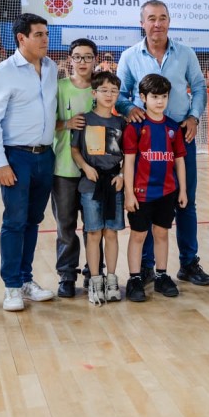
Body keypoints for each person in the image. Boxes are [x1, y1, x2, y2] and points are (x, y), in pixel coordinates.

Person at [116, 0, 209, 286]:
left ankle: (189, 263)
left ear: (169, 21)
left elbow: (200, 87)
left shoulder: (186, 53)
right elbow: (120, 94)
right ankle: (146, 267)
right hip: (144, 143)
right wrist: (128, 108)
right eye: (152, 18)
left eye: (163, 18)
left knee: (185, 201)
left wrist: (194, 117)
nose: (157, 23)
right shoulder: (130, 56)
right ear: (142, 23)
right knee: (146, 203)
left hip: (180, 136)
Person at [0, 13, 59, 312]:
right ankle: (12, 286)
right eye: (38, 34)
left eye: (46, 34)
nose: (45, 39)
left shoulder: (51, 68)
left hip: (45, 156)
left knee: (33, 220)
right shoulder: (3, 73)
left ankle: (26, 279)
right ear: (21, 38)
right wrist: (0, 163)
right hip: (16, 157)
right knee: (14, 222)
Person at [121, 74, 188, 302]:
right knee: (138, 235)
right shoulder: (135, 127)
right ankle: (134, 278)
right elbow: (129, 162)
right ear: (143, 97)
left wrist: (183, 190)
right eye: (154, 97)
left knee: (161, 233)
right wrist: (129, 193)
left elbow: (179, 161)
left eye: (164, 96)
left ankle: (161, 275)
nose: (160, 101)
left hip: (166, 192)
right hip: (141, 193)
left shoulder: (172, 127)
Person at [71, 71, 126, 305]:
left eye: (114, 91)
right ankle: (95, 280)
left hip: (114, 184)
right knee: (93, 232)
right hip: (90, 185)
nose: (109, 95)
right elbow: (75, 149)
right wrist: (85, 167)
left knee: (111, 233)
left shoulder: (121, 123)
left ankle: (111, 280)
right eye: (104, 90)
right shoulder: (84, 120)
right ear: (94, 93)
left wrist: (122, 174)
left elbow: (128, 154)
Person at [52, 38, 97, 297]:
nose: (82, 62)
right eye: (77, 56)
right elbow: (46, 122)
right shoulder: (59, 87)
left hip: (95, 170)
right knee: (65, 225)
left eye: (87, 57)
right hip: (64, 169)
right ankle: (67, 275)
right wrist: (66, 124)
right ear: (70, 59)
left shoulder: (102, 88)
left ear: (95, 60)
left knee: (94, 226)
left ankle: (94, 272)